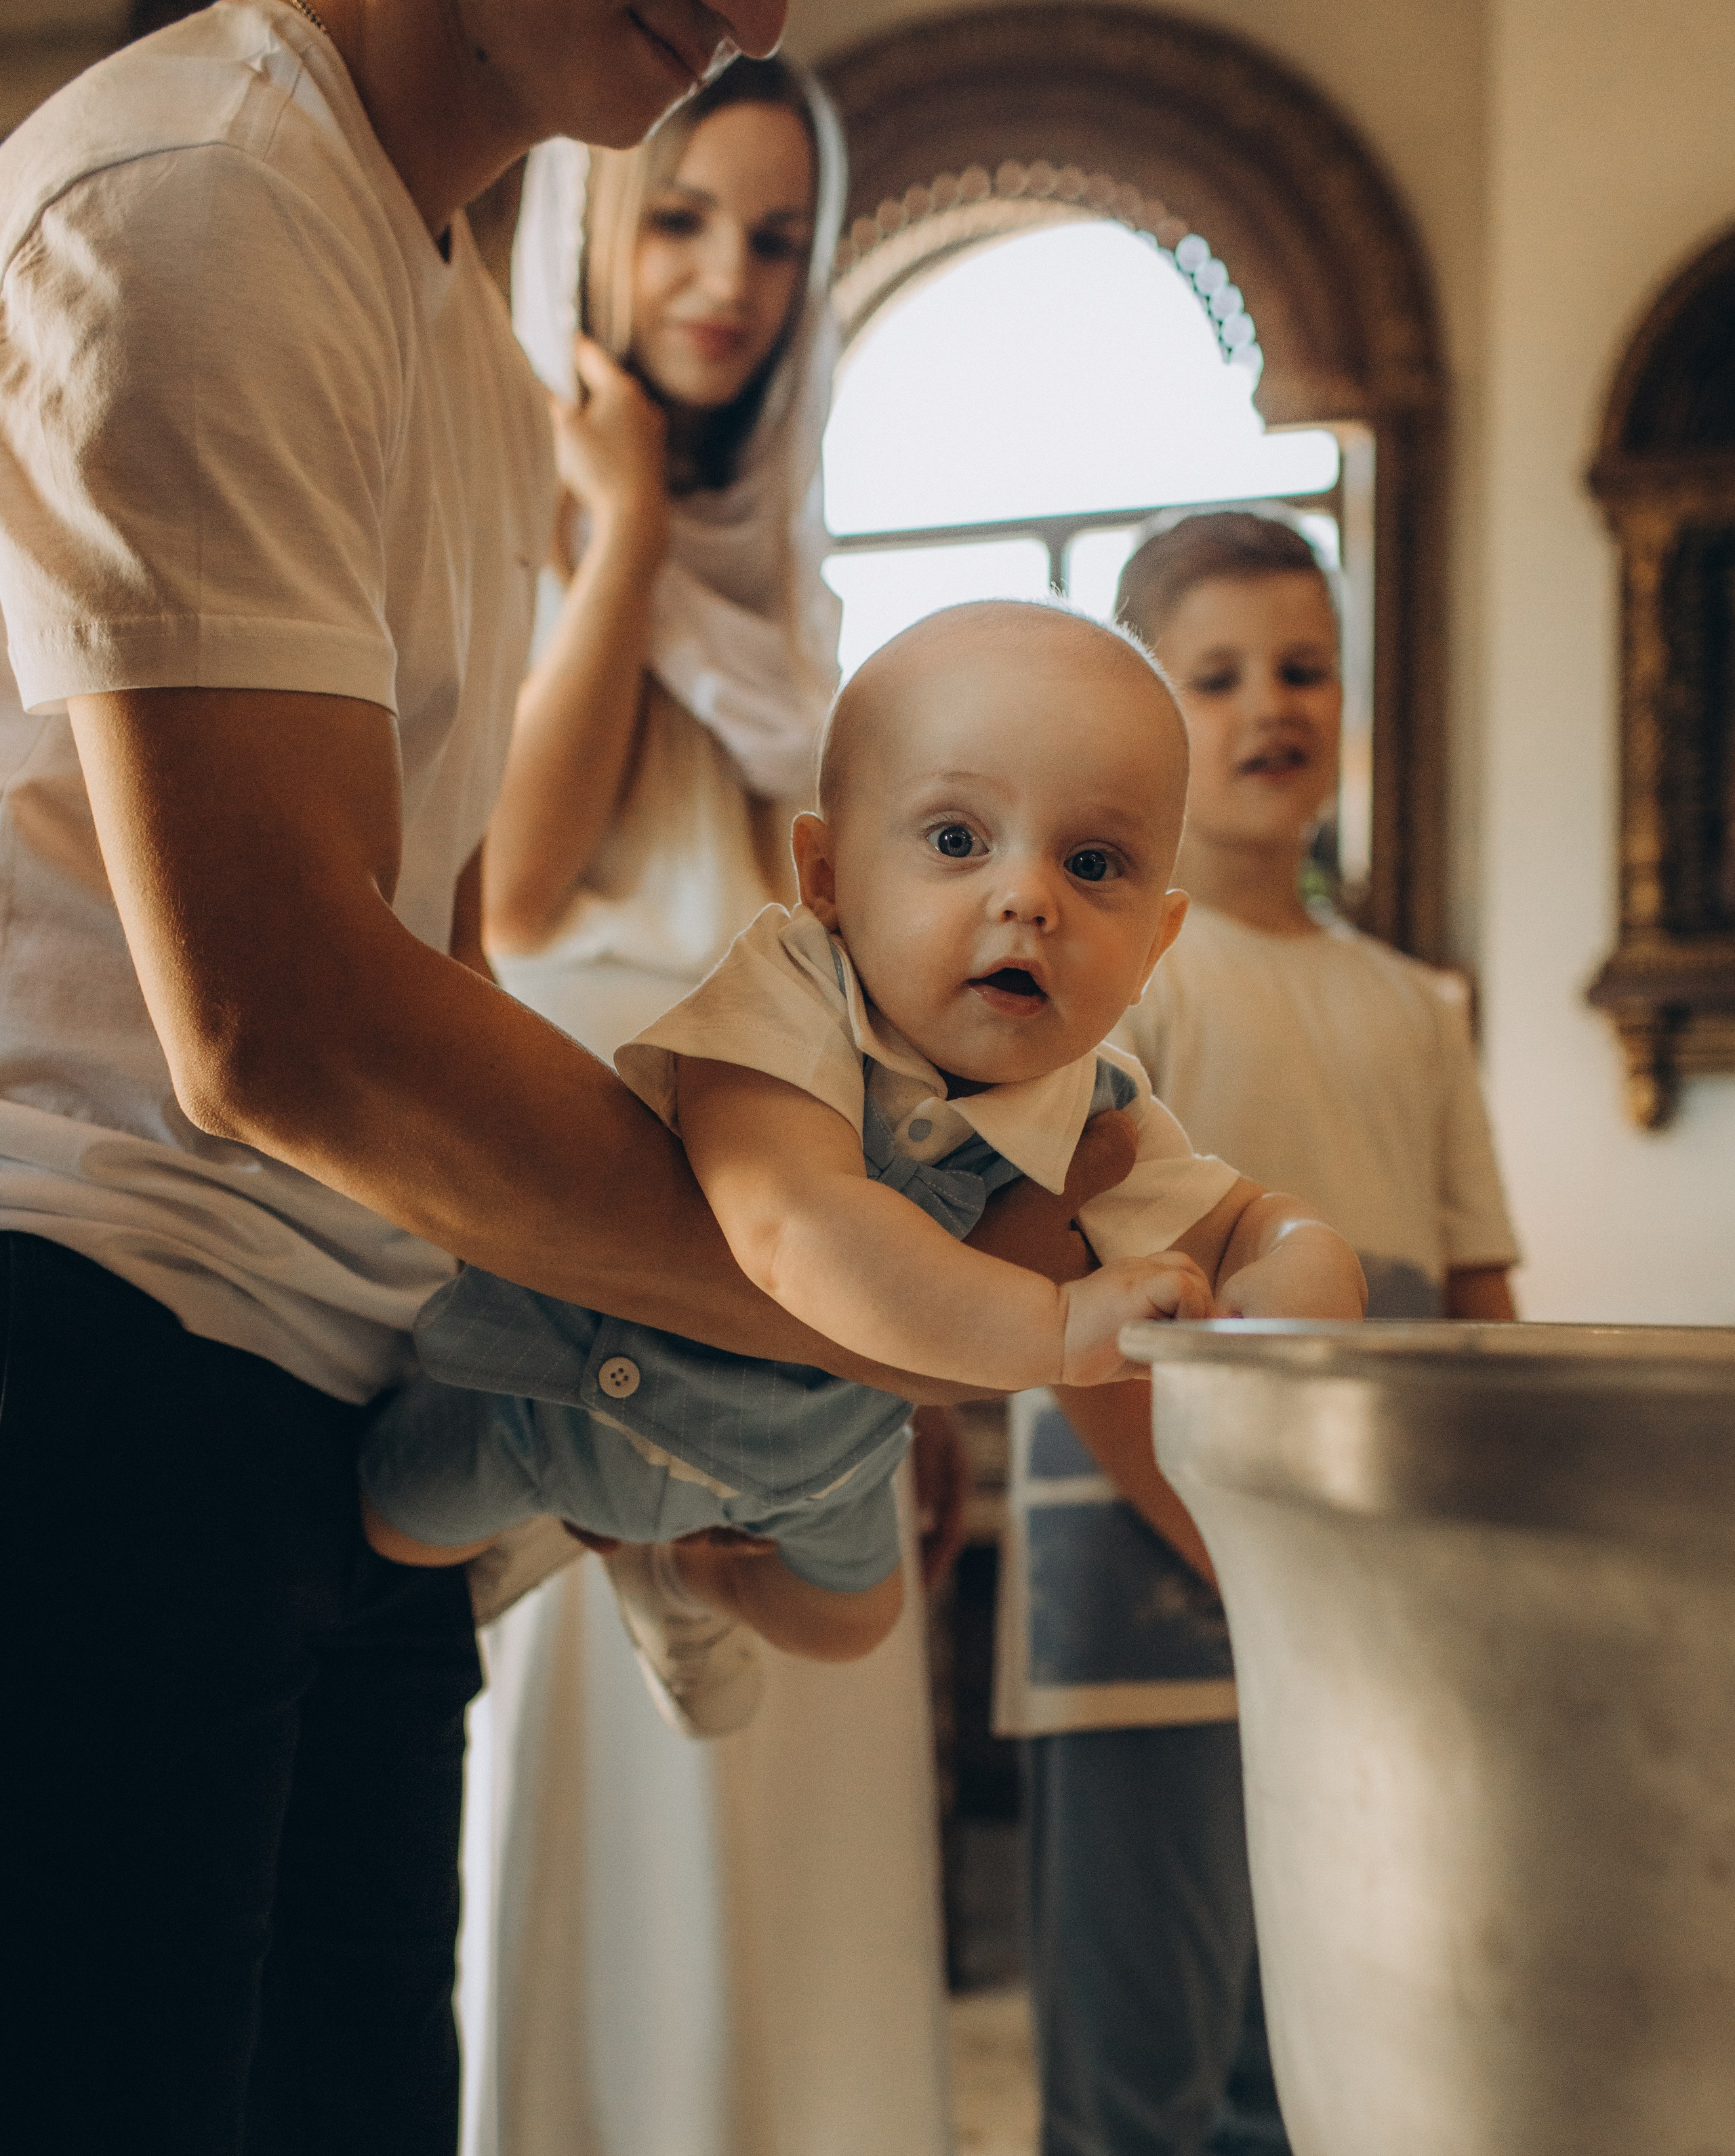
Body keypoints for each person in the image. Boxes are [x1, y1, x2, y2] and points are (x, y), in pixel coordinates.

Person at [0, 0, 1141, 2156]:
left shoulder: (446, 309)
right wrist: (859, 1320)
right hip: (91, 1374)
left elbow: (429, 957)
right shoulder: (194, 206)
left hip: (341, 1368)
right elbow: (282, 1014)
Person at [418, 60, 962, 2156]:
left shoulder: (805, 595)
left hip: (792, 1315)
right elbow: (516, 899)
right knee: (526, 2015)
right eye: (687, 226)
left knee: (708, 2028)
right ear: (597, 236)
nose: (731, 282)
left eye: (777, 240)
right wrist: (619, 526)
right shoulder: (513, 491)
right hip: (570, 1301)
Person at [362, 596, 1368, 1599]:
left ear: (1154, 944)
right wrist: (1055, 1326)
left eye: (1092, 862)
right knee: (398, 1524)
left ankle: (683, 1589)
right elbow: (795, 1227)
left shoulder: (1094, 1110)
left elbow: (1245, 1225)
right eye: (957, 841)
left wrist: (1300, 1285)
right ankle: (572, 1537)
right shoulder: (788, 996)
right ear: (827, 877)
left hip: (807, 1469)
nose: (1028, 897)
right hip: (576, 1401)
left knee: (855, 1619)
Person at [998, 509, 1520, 2156]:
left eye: (1303, 666)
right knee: (1138, 2045)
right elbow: (1063, 1296)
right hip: (1146, 1572)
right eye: (1214, 677)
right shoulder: (1121, 993)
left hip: (1366, 1607)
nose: (1271, 705)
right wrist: (1226, 1540)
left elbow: (1474, 1303)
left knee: (1321, 2033)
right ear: (1150, 721)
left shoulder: (1414, 1005)